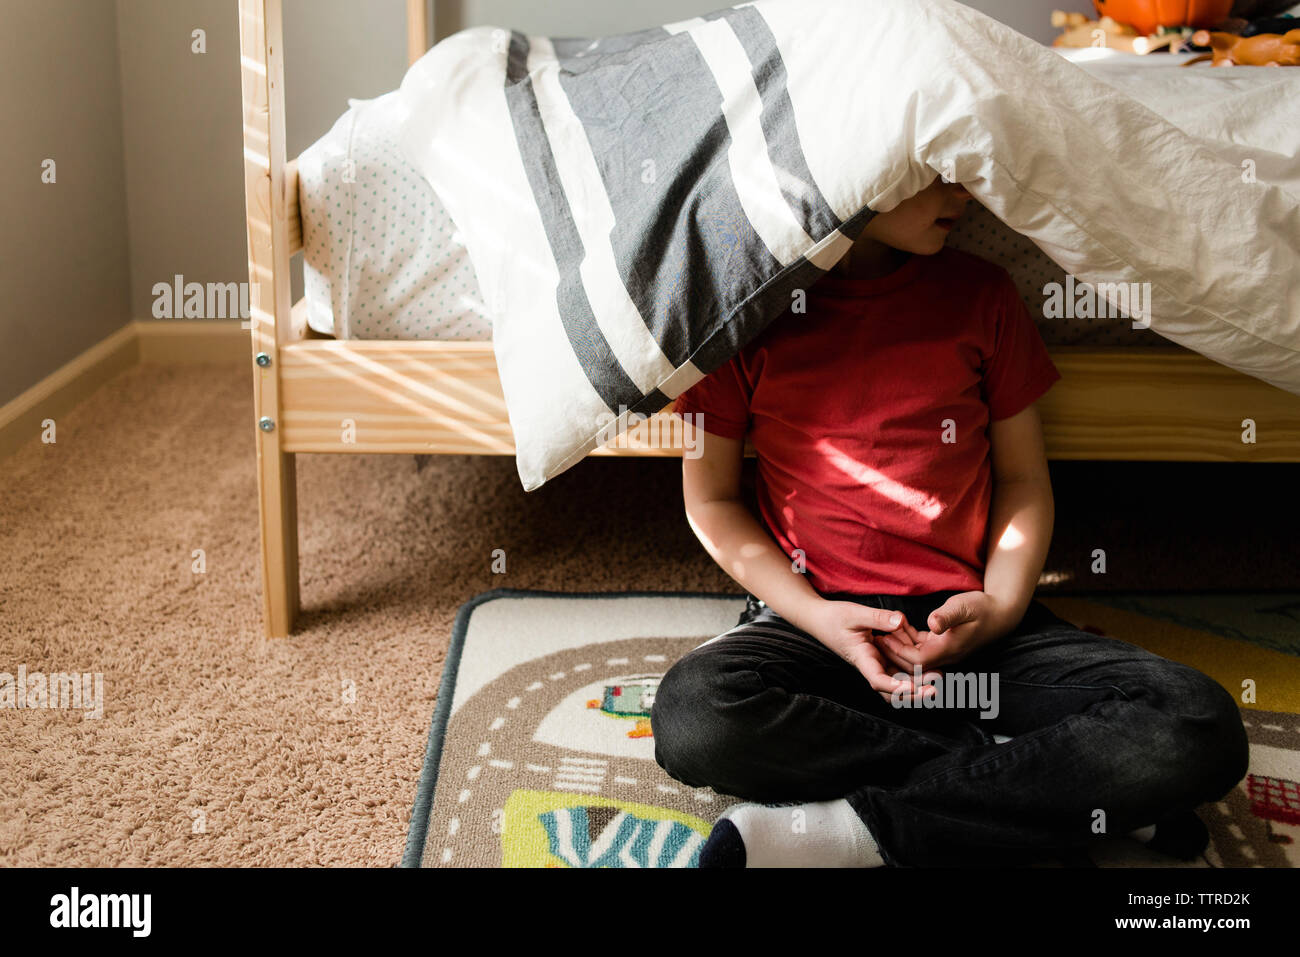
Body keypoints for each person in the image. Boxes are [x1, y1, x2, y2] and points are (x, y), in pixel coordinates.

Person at [650, 176, 1249, 868]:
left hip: (978, 636)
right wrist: (819, 619)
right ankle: (1046, 784)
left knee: (1195, 720)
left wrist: (998, 607)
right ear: (858, 166)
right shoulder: (740, 314)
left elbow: (1024, 482)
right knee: (696, 714)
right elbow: (711, 502)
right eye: (933, 172)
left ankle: (855, 830)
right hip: (817, 632)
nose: (962, 191)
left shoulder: (982, 294)